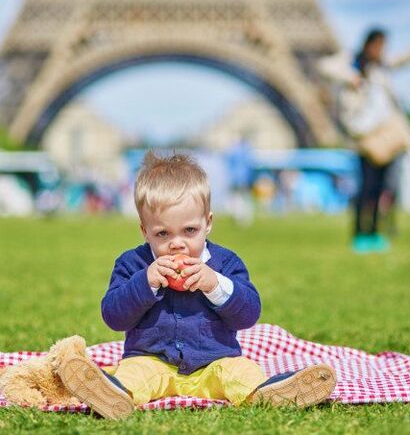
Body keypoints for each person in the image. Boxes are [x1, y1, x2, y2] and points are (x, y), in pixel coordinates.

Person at [57, 152, 336, 419]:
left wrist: (214, 285)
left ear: (208, 223)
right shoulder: (133, 264)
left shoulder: (225, 263)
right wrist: (146, 282)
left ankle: (272, 393)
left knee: (242, 372)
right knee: (133, 375)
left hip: (214, 363)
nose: (177, 243)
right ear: (145, 231)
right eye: (163, 233)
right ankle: (113, 395)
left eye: (189, 230)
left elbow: (249, 314)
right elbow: (113, 317)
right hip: (151, 361)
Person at [318, 24, 410, 253]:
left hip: (387, 135)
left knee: (382, 187)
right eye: (378, 45)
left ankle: (374, 232)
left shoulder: (382, 67)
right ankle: (359, 234)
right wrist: (351, 77)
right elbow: (324, 66)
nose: (381, 50)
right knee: (367, 186)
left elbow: (407, 58)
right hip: (365, 135)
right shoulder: (351, 62)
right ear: (368, 45)